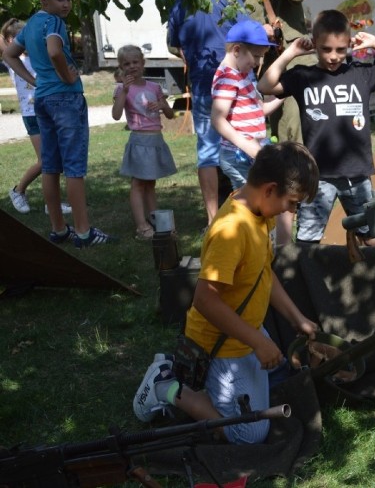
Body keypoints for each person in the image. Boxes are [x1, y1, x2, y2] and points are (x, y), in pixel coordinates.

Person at [132, 142, 320, 444]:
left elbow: (263, 271)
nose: (293, 212)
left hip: (245, 332)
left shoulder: (261, 211)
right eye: (293, 202)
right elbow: (205, 300)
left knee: (282, 382)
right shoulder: (231, 230)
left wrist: (297, 318)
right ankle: (165, 386)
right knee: (249, 433)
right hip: (220, 345)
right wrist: (258, 341)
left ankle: (213, 388)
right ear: (270, 189)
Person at [258, 9, 375, 245]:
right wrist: (291, 52)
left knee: (371, 235)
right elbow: (265, 85)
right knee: (308, 239)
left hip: (357, 174)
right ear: (314, 45)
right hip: (317, 177)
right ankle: (308, 279)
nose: (333, 56)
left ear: (350, 44)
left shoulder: (361, 74)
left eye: (341, 49)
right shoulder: (303, 76)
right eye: (325, 49)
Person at [2, 0, 114, 248]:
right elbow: (54, 51)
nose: (65, 5)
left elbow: (8, 55)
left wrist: (34, 81)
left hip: (43, 100)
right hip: (65, 99)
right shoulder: (54, 22)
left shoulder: (29, 26)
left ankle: (58, 229)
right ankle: (84, 232)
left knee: (50, 165)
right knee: (74, 167)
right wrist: (66, 76)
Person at [168, 0, 246, 229]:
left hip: (202, 85)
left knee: (208, 152)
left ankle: (213, 219)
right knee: (239, 143)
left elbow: (173, 45)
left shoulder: (181, 1)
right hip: (232, 81)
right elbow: (248, 36)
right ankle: (244, 213)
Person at [211, 20, 296, 243]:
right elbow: (218, 120)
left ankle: (281, 247)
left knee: (274, 194)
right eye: (256, 56)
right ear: (237, 50)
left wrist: (285, 93)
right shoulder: (227, 78)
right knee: (253, 204)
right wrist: (247, 145)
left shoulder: (242, 76)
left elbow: (260, 111)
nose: (258, 62)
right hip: (238, 154)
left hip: (254, 150)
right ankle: (255, 245)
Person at [221, 0, 315, 144]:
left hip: (299, 62)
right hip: (273, 69)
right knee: (281, 130)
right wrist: (258, 30)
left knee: (303, 126)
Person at [2, 18, 72, 216]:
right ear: (9, 40)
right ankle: (18, 191)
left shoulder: (37, 56)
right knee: (46, 161)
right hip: (32, 115)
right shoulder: (13, 60)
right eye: (18, 38)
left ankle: (52, 203)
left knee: (54, 159)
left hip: (48, 110)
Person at [111, 45, 177, 240]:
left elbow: (171, 115)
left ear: (143, 63)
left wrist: (163, 104)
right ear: (121, 67)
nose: (132, 67)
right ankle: (141, 226)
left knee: (150, 183)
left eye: (135, 62)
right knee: (138, 183)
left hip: (156, 140)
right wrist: (124, 90)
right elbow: (115, 115)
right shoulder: (122, 88)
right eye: (126, 64)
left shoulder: (154, 87)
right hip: (139, 141)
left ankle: (153, 219)